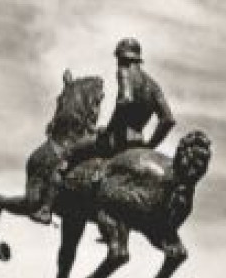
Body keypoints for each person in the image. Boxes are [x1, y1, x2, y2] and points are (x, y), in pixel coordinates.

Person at [32, 37, 176, 223]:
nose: (118, 62)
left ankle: (45, 208)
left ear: (122, 57)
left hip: (116, 139)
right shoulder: (153, 85)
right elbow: (168, 120)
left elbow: (126, 100)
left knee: (67, 156)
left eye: (118, 58)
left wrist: (108, 130)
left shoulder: (124, 72)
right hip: (138, 142)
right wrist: (150, 145)